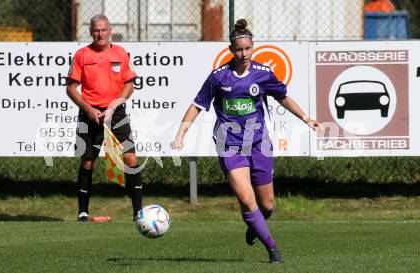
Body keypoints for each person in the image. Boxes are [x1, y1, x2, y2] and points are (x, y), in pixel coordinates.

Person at [171, 19, 319, 264]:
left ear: (253, 48)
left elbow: (283, 97)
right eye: (238, 49)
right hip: (229, 145)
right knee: (246, 200)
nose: (243, 54)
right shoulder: (219, 77)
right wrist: (180, 134)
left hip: (259, 143)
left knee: (268, 206)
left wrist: (306, 118)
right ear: (231, 50)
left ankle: (255, 227)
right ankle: (273, 250)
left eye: (247, 49)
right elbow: (196, 106)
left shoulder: (263, 74)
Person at [66, 14, 143, 222]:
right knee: (88, 161)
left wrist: (114, 105)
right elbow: (71, 88)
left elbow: (130, 84)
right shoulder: (82, 55)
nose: (100, 34)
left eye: (103, 29)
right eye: (95, 30)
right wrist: (88, 109)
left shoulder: (120, 53)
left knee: (130, 158)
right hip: (90, 114)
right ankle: (83, 212)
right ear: (90, 32)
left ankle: (138, 213)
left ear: (110, 31)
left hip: (115, 112)